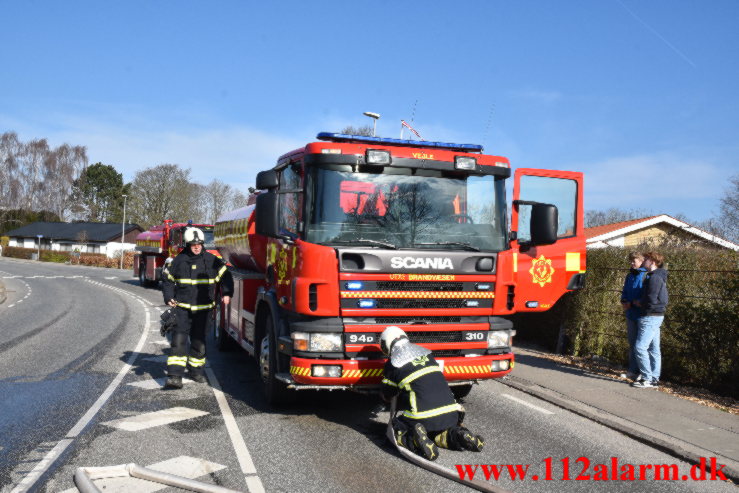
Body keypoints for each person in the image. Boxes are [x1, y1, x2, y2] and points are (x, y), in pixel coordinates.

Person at [379, 326, 484, 461]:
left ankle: (414, 440)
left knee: (395, 429)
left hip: (422, 417)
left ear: (387, 344)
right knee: (440, 434)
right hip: (451, 413)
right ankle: (459, 435)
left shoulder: (393, 363)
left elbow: (388, 393)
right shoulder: (426, 353)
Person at [162, 227, 233, 389]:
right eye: (193, 244)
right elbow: (167, 279)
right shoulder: (178, 261)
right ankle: (174, 376)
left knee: (199, 343)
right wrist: (168, 297)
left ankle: (196, 372)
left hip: (204, 310)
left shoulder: (212, 260)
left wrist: (227, 293)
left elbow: (226, 276)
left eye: (199, 244)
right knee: (178, 342)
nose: (196, 246)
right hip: (182, 310)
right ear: (187, 244)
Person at [631, 251, 668, 389]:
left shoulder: (654, 278)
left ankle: (646, 378)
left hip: (650, 316)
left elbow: (652, 298)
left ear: (652, 261)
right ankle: (653, 379)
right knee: (654, 349)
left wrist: (641, 303)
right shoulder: (656, 276)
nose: (644, 261)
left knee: (640, 347)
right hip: (656, 315)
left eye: (646, 259)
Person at [620, 252, 647, 381]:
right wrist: (624, 301)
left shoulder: (645, 275)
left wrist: (634, 303)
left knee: (641, 345)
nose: (631, 263)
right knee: (632, 343)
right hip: (630, 313)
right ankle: (632, 370)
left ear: (641, 261)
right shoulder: (629, 275)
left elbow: (645, 294)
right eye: (631, 261)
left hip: (641, 314)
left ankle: (643, 371)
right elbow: (625, 291)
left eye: (634, 261)